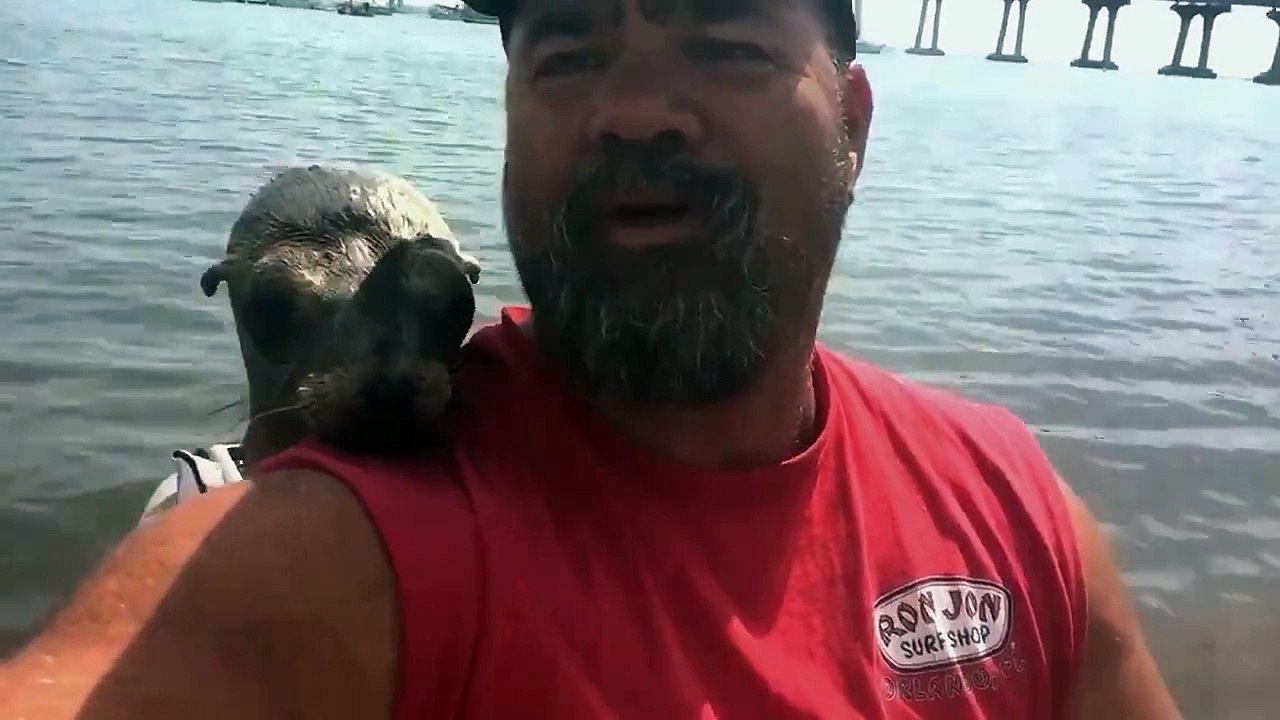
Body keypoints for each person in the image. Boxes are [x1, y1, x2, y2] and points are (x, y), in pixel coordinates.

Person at [0, 0, 1180, 717]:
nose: (634, 109)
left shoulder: (1013, 511)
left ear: (855, 127)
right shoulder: (333, 544)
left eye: (722, 43)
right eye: (566, 54)